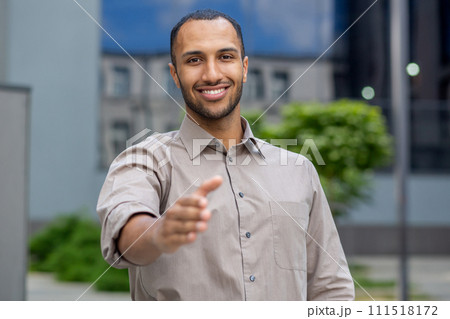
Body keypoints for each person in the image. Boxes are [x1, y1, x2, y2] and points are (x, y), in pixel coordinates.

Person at [97, 9, 355, 301]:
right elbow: (126, 229)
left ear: (244, 68)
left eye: (225, 57)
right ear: (175, 74)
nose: (212, 74)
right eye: (194, 60)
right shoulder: (144, 161)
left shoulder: (299, 170)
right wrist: (159, 232)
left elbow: (330, 287)